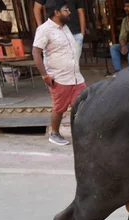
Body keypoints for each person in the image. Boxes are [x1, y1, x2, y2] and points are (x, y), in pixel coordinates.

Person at [32, 0, 86, 146]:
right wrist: (45, 75)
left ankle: (81, 132)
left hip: (76, 76)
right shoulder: (44, 29)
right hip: (59, 77)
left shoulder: (66, 28)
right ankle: (54, 133)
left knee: (83, 105)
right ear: (56, 12)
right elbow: (36, 53)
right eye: (66, 10)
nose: (69, 12)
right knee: (59, 108)